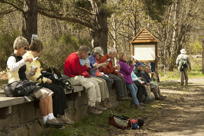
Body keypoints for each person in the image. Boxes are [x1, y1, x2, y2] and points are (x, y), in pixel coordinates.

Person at [6, 36, 63, 127]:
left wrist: (31, 74)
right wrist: (24, 60)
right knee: (44, 93)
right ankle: (45, 120)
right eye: (25, 48)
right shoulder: (11, 58)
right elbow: (12, 68)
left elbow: (24, 76)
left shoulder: (21, 58)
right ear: (20, 47)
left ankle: (51, 118)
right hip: (14, 86)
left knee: (49, 92)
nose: (26, 51)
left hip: (23, 84)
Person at [23, 37, 73, 124]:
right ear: (39, 49)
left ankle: (61, 114)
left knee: (59, 87)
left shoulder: (33, 57)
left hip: (38, 81)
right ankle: (59, 115)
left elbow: (37, 72)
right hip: (34, 83)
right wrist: (46, 80)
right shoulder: (29, 58)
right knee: (57, 89)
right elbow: (33, 76)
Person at [64, 46, 104, 114]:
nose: (87, 56)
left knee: (95, 83)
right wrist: (86, 67)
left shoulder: (78, 57)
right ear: (83, 52)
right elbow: (76, 71)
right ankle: (91, 106)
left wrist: (86, 68)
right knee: (90, 85)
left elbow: (79, 71)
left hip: (76, 77)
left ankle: (96, 104)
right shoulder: (74, 58)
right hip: (70, 78)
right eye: (87, 54)